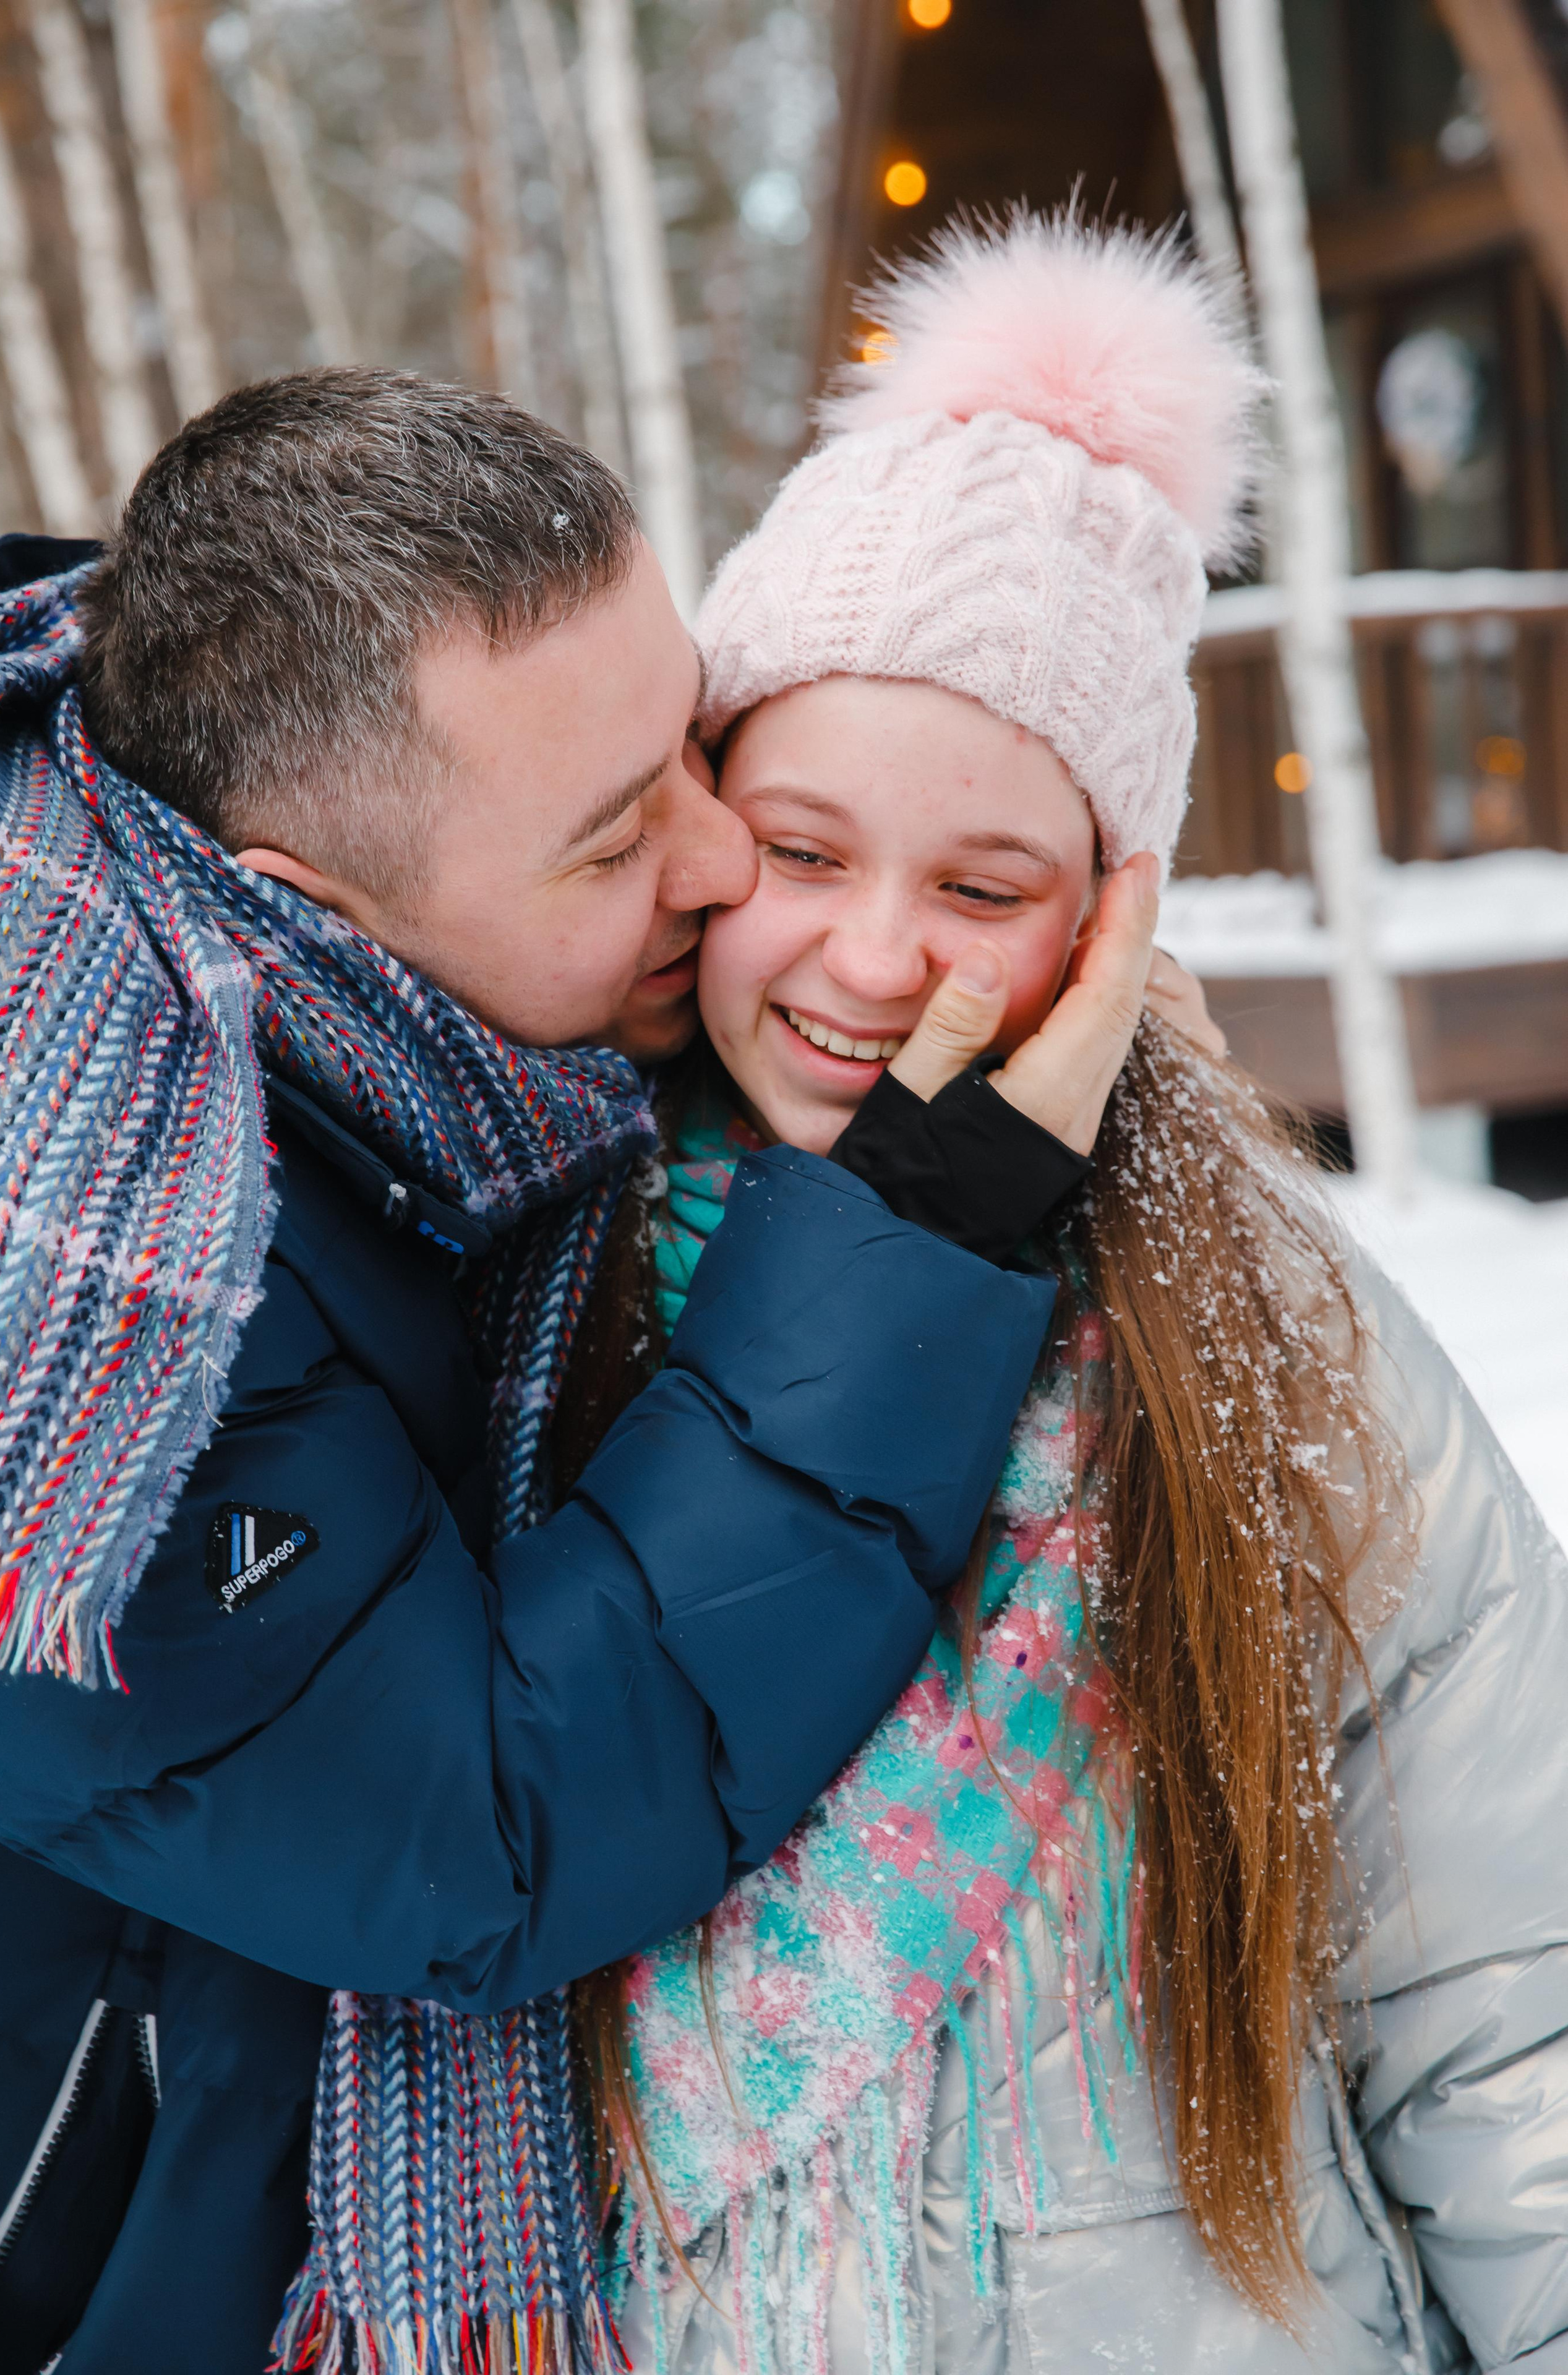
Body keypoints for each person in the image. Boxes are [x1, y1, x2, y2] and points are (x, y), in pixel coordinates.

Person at [0, 379, 1165, 2375]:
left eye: (692, 737)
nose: (723, 862)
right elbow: (486, 1832)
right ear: (301, 901)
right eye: (624, 837)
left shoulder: (228, 846)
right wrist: (919, 1233)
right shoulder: (70, 1289)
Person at [543, 215, 1566, 2374]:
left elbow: (1512, 1995)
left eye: (985, 886)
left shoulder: (1262, 1330)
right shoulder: (545, 1276)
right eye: (803, 852)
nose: (875, 957)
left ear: (1109, 921)